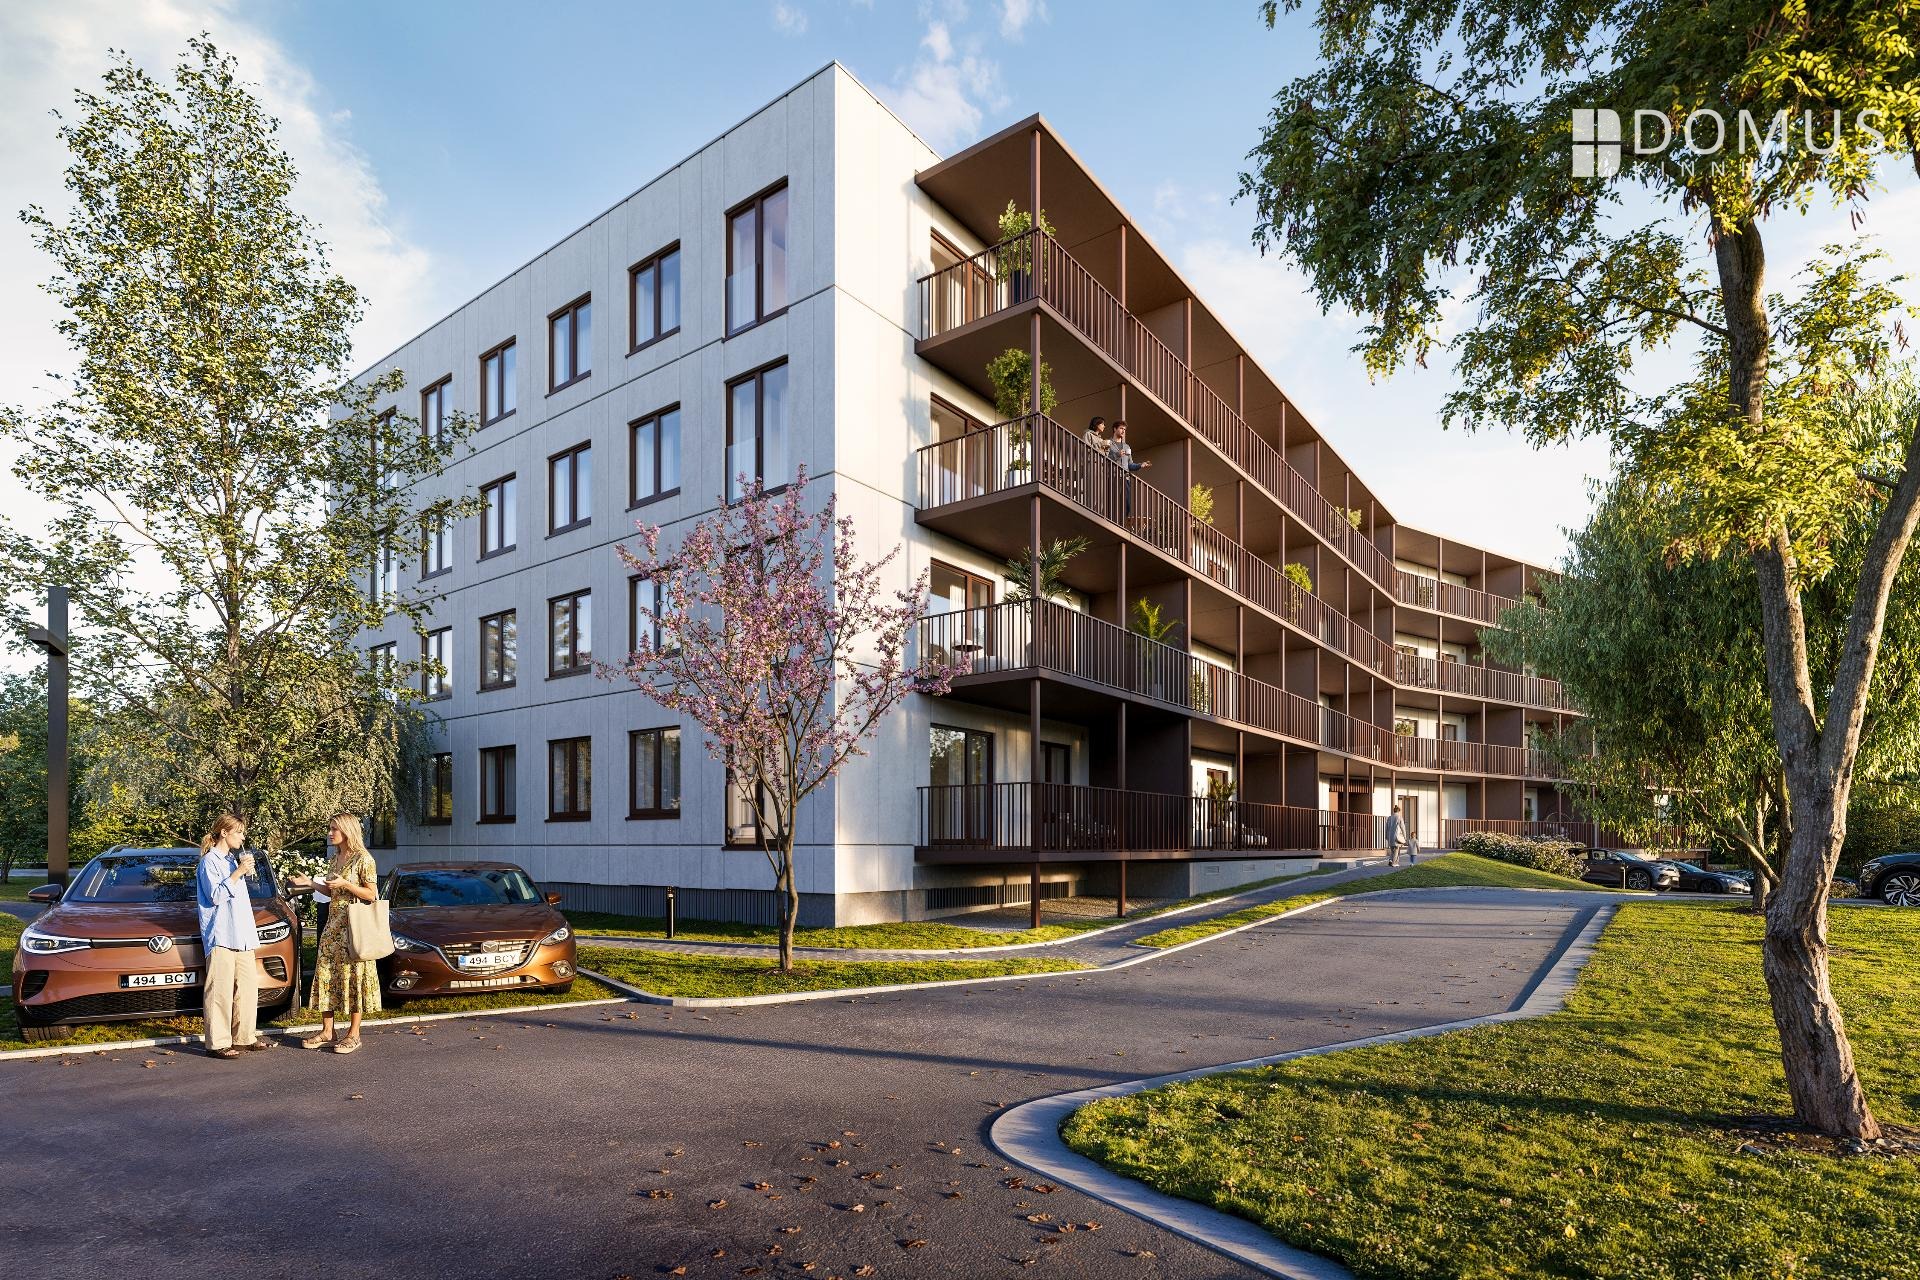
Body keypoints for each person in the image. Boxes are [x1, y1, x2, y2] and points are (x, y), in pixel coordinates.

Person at [195, 813, 273, 1059]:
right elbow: (215, 897)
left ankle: (244, 1038)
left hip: (243, 935)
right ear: (224, 832)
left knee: (247, 990)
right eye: (239, 832)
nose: (242, 837)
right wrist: (238, 872)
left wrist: (243, 871)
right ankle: (217, 1043)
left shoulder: (231, 860)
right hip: (221, 935)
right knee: (219, 991)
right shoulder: (209, 862)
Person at [303, 813, 382, 1054]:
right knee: (326, 975)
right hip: (333, 927)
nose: (330, 833)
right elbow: (332, 892)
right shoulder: (335, 858)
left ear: (347, 831)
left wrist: (346, 884)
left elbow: (371, 894)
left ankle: (354, 1034)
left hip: (355, 930)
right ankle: (328, 1031)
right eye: (330, 828)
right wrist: (310, 883)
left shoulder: (363, 859)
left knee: (354, 977)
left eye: (334, 829)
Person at [1110, 420, 1151, 522]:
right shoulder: (1108, 443)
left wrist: (1140, 465)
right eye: (1121, 428)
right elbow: (1104, 458)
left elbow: (1130, 464)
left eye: (1124, 429)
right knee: (1112, 501)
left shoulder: (1126, 446)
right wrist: (1117, 455)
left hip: (1125, 478)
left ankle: (1121, 522)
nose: (1123, 431)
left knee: (1126, 503)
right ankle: (1112, 520)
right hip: (1113, 476)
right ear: (1115, 429)